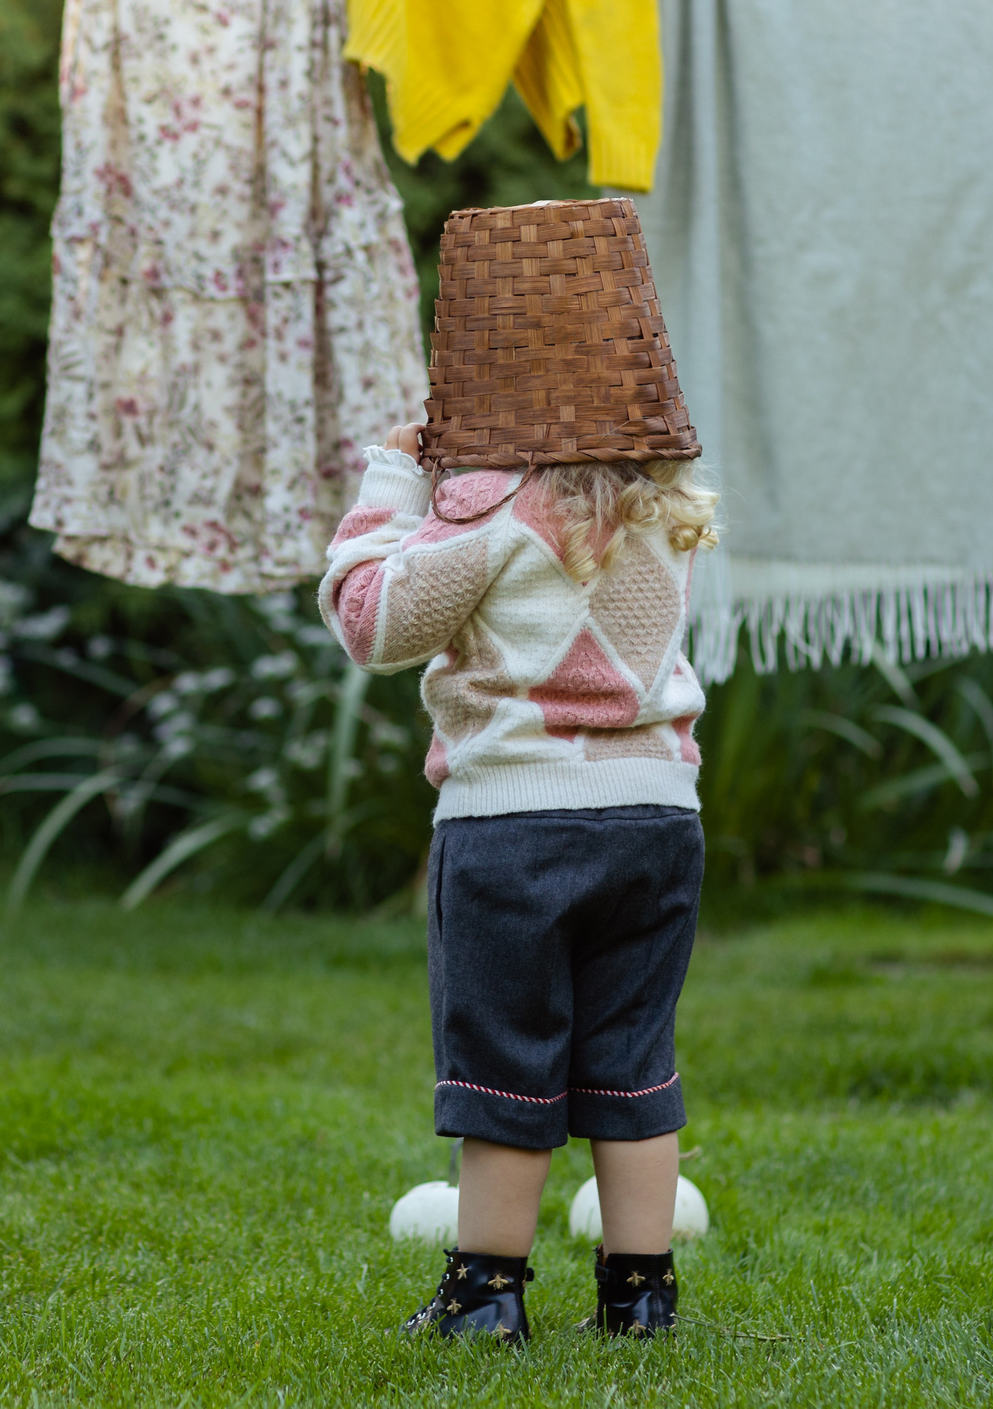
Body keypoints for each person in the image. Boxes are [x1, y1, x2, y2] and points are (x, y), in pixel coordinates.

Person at [317, 418, 717, 1343]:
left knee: (508, 1061)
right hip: (657, 816)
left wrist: (395, 481)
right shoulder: (657, 496)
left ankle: (486, 1295)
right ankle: (640, 1300)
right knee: (633, 1056)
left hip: (516, 819)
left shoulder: (491, 505)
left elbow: (371, 625)